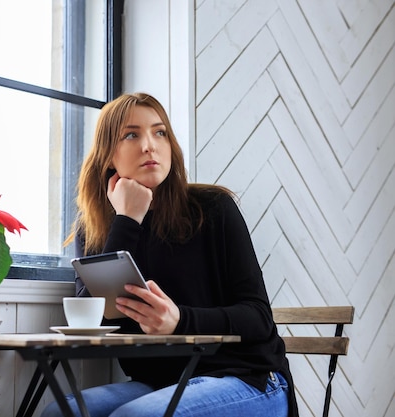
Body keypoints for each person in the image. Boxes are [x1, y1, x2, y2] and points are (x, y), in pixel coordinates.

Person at [41, 92, 298, 417]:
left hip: (250, 379)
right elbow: (97, 317)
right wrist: (127, 220)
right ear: (108, 156)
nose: (149, 145)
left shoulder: (213, 209)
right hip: (162, 383)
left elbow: (258, 317)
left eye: (159, 132)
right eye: (131, 134)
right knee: (60, 412)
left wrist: (180, 321)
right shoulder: (96, 227)